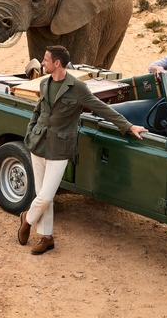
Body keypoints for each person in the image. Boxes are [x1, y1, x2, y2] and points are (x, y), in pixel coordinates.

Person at [17, 45, 148, 255]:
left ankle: (27, 220)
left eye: (45, 60)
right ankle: (47, 238)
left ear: (57, 63)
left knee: (46, 196)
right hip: (38, 143)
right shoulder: (44, 83)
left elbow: (101, 108)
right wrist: (30, 132)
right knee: (40, 193)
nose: (42, 63)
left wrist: (128, 126)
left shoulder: (78, 88)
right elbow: (38, 110)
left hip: (60, 148)